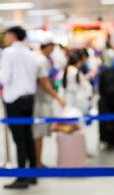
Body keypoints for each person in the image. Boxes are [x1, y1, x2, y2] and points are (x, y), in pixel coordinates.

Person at [0, 26, 65, 189]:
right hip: (29, 99)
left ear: (12, 36)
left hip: (14, 100)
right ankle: (32, 174)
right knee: (28, 136)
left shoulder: (8, 53)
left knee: (19, 139)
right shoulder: (31, 54)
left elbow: (5, 78)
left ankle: (21, 177)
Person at [33, 34, 66, 169]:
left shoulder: (37, 58)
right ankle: (37, 162)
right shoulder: (41, 60)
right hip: (39, 101)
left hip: (38, 99)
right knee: (38, 133)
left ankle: (37, 161)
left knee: (38, 133)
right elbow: (43, 82)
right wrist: (57, 97)